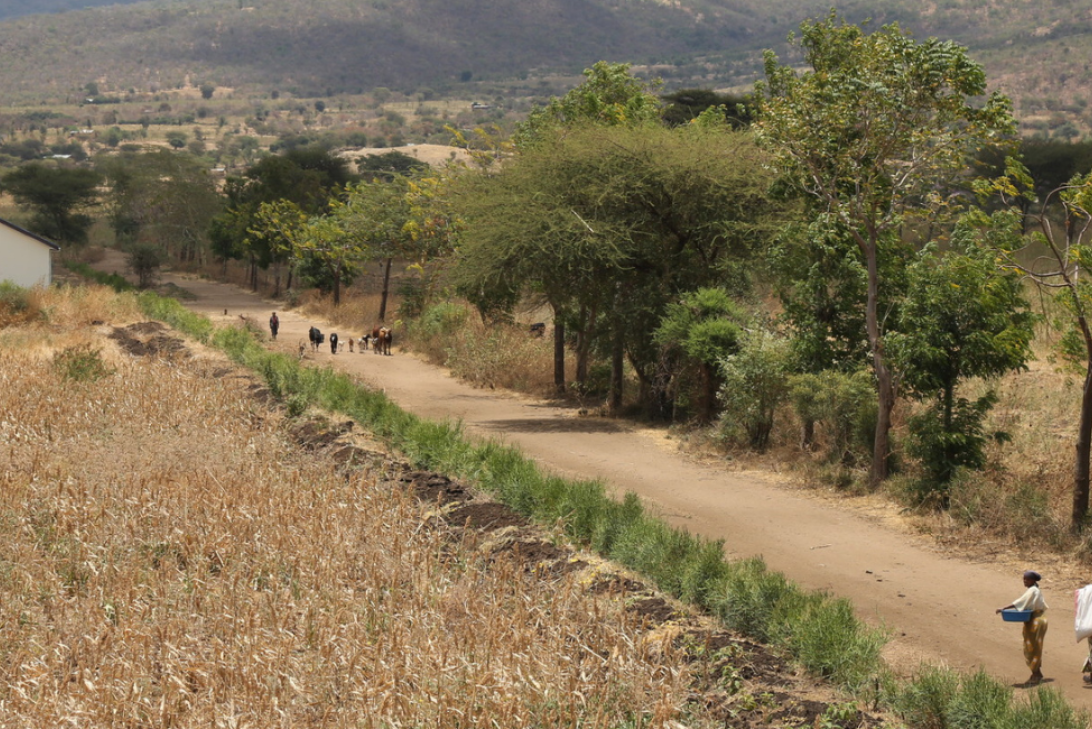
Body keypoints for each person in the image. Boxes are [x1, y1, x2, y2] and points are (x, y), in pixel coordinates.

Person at [997, 570, 1048, 686]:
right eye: (1024, 579)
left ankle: (1036, 674)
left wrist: (1004, 608)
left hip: (1036, 620)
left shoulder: (1032, 591)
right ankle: (1037, 673)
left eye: (1027, 579)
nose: (1025, 581)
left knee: (1032, 647)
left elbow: (1020, 602)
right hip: (1038, 619)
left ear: (1033, 581)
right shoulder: (1035, 590)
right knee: (1034, 646)